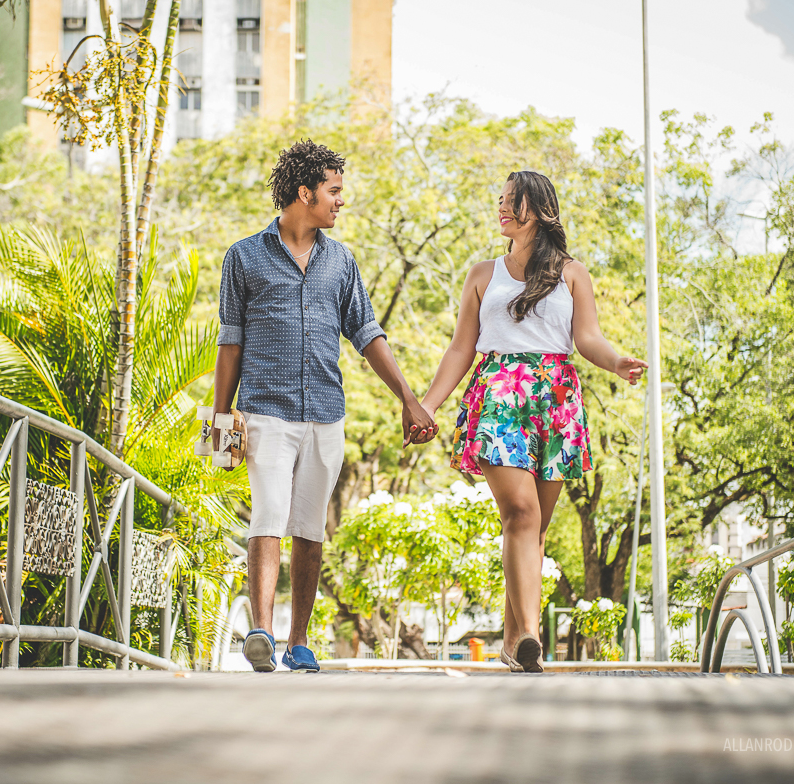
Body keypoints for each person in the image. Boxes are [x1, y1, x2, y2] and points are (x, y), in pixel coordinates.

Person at [213, 140, 437, 673]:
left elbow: (366, 333)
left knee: (310, 526)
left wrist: (408, 397)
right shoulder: (243, 256)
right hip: (265, 408)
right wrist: (221, 416)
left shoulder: (341, 261)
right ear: (304, 192)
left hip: (325, 412)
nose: (341, 201)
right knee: (268, 513)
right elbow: (230, 341)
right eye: (334, 191)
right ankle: (262, 634)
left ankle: (299, 641)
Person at [420, 170, 647, 672]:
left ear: (539, 211)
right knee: (520, 514)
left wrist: (616, 362)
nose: (501, 209)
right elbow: (461, 347)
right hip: (501, 391)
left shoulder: (572, 273)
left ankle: (512, 639)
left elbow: (587, 337)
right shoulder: (483, 274)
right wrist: (429, 404)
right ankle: (531, 637)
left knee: (535, 528)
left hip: (556, 397)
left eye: (512, 202)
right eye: (499, 201)